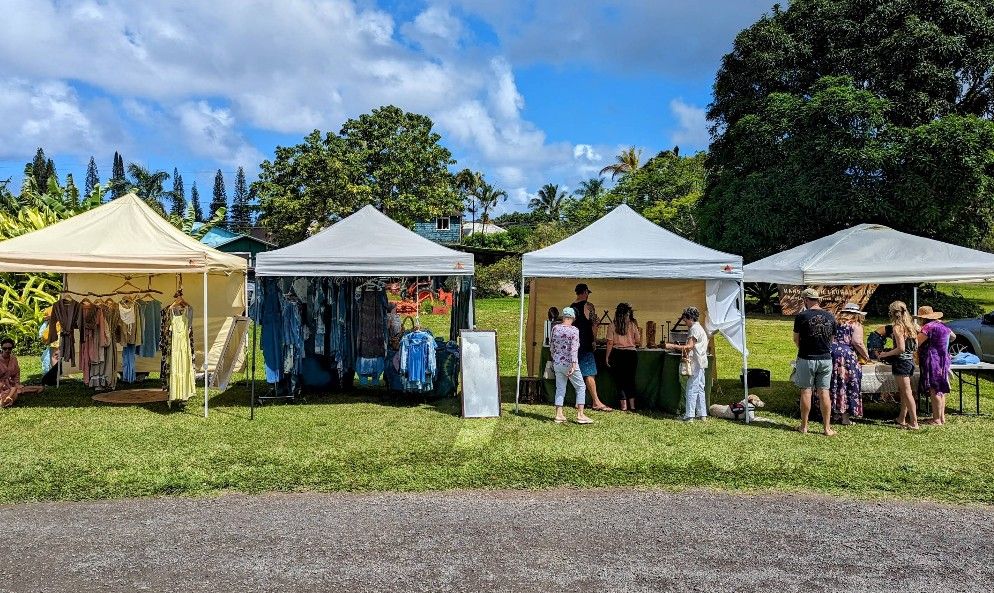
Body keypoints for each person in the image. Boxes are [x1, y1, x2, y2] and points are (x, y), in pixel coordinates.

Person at [792, 288, 837, 435]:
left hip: (806, 358)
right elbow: (831, 340)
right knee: (824, 392)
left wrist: (804, 348)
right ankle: (827, 428)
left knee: (806, 391)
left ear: (805, 300)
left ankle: (804, 427)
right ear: (817, 299)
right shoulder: (830, 317)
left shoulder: (801, 316)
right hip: (825, 358)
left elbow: (796, 339)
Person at [877, 301, 920, 430]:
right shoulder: (912, 326)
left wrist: (885, 354)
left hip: (901, 362)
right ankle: (901, 418)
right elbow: (916, 346)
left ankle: (914, 422)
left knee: (907, 393)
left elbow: (900, 348)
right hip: (910, 362)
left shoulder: (897, 327)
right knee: (904, 392)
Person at [570, 283, 612, 412]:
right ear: (585, 292)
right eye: (588, 293)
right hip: (586, 344)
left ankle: (579, 401)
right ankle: (596, 401)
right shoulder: (588, 306)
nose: (588, 295)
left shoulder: (571, 307)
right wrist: (594, 340)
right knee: (589, 373)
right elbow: (595, 324)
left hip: (574, 344)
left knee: (578, 373)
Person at [828, 303, 871, 425]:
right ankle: (845, 418)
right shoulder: (856, 325)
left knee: (834, 383)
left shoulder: (835, 323)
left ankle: (835, 413)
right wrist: (866, 356)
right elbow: (858, 342)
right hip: (846, 356)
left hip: (831, 353)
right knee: (848, 384)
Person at [664, 307, 709, 422]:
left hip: (695, 362)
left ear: (689, 318)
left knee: (691, 388)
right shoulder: (699, 327)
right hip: (701, 361)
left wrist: (672, 346)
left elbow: (689, 346)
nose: (684, 322)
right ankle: (702, 414)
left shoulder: (694, 328)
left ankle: (689, 416)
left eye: (685, 319)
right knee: (699, 388)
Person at [549, 307, 592, 424]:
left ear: (563, 316)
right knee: (581, 387)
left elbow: (552, 346)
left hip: (557, 363)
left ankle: (559, 414)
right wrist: (573, 365)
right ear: (573, 317)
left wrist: (554, 359)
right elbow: (573, 349)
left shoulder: (555, 328)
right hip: (569, 363)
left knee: (560, 388)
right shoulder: (574, 330)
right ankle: (580, 414)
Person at [916, 305, 954, 426]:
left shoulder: (928, 327)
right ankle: (941, 417)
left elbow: (917, 342)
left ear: (923, 318)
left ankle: (936, 419)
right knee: (941, 389)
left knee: (934, 389)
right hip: (944, 360)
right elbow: (954, 337)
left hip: (932, 360)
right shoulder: (943, 326)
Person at [605, 302, 641, 412]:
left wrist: (607, 356)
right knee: (630, 380)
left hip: (617, 354)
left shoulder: (612, 325)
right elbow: (638, 340)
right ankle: (633, 406)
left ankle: (623, 406)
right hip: (631, 354)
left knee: (619, 381)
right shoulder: (632, 325)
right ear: (627, 314)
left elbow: (609, 343)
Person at [0, 337, 43, 408]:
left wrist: (16, 383)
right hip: (1, 385)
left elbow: (16, 373)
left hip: (10, 384)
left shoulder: (13, 359)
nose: (7, 350)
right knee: (16, 391)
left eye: (9, 348)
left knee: (16, 389)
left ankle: (9, 397)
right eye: (5, 348)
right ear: (2, 348)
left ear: (12, 349)